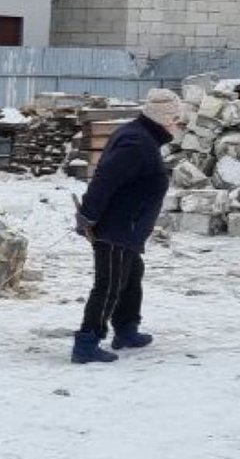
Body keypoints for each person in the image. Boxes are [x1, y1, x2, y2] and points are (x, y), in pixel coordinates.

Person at [71, 88, 184, 364]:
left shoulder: (140, 136)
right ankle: (87, 342)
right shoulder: (136, 143)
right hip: (117, 227)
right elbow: (105, 180)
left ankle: (126, 329)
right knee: (110, 283)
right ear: (164, 118)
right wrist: (88, 215)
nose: (178, 125)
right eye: (176, 119)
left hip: (127, 227)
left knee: (131, 275)